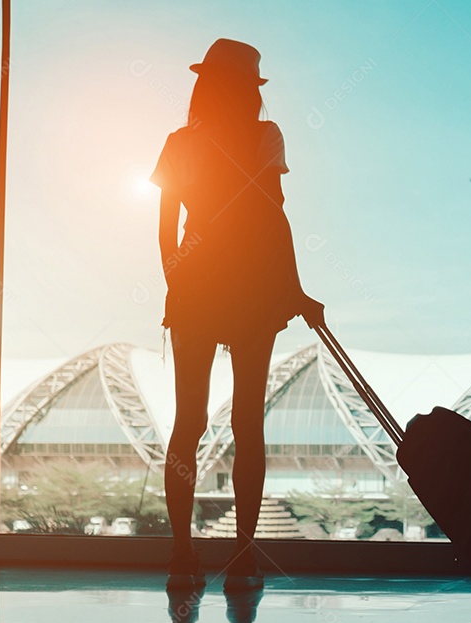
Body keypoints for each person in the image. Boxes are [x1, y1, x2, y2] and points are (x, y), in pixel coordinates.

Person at [150, 38, 323, 590]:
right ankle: (244, 556)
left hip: (198, 285)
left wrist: (178, 280)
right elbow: (275, 219)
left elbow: (164, 226)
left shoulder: (180, 143)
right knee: (247, 424)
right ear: (250, 89)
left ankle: (182, 554)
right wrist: (293, 290)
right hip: (252, 287)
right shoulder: (263, 136)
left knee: (189, 423)